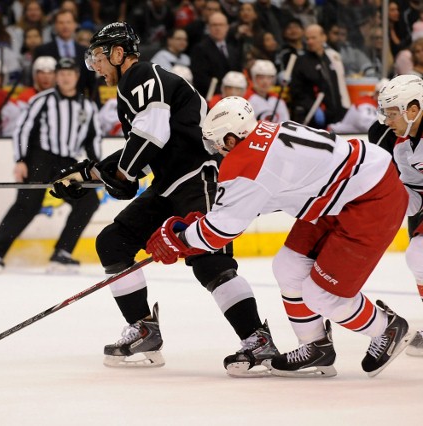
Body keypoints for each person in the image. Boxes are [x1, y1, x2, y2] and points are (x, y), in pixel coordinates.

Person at [53, 22, 279, 376]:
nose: (94, 66)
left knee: (209, 263)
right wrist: (86, 175)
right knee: (114, 242)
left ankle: (257, 340)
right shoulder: (133, 87)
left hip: (198, 178)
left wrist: (122, 175)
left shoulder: (141, 75)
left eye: (98, 57)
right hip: (171, 183)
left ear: (117, 53)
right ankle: (144, 330)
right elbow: (143, 146)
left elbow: (150, 135)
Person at [146, 96, 414, 377]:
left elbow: (219, 233)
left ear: (230, 139)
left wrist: (179, 239)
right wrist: (201, 224)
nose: (215, 150)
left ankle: (387, 327)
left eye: (216, 143)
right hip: (341, 192)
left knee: (321, 295)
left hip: (371, 199)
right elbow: (263, 196)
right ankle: (316, 347)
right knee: (288, 265)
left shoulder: (246, 162)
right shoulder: (266, 131)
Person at [0, 57, 102, 274]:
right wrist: (20, 160)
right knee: (27, 205)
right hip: (41, 159)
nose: (66, 78)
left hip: (67, 164)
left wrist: (96, 168)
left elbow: (93, 138)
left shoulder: (88, 106)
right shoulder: (42, 100)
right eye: (62, 73)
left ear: (76, 76)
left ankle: (62, 253)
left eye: (70, 73)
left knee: (88, 201)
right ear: (57, 77)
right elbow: (23, 130)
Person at [376, 74, 423, 357]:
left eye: (392, 113)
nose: (387, 120)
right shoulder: (403, 146)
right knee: (418, 255)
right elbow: (415, 198)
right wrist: (386, 202)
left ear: (413, 109)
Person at [290, 24, 349, 129]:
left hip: (335, 117)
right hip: (313, 118)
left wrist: (342, 108)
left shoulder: (330, 58)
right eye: (307, 39)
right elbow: (296, 91)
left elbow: (337, 86)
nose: (310, 42)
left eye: (313, 38)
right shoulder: (301, 62)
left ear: (323, 37)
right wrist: (313, 108)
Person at [189, 12, 242, 101]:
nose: (218, 28)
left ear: (227, 27)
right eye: (214, 25)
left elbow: (238, 72)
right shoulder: (200, 49)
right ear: (208, 28)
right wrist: (223, 92)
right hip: (211, 98)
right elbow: (200, 77)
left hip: (234, 97)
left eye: (221, 25)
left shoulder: (233, 49)